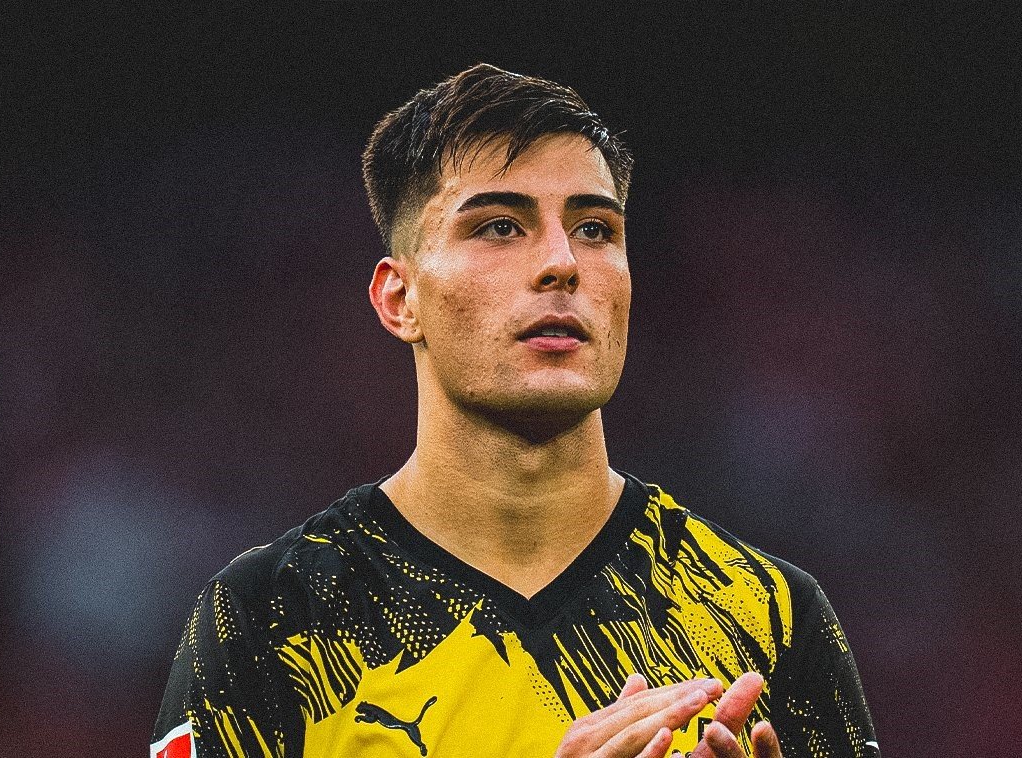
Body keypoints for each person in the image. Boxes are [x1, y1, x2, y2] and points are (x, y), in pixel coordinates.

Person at [151, 63, 878, 758]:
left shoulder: (768, 613)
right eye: (500, 226)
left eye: (595, 229)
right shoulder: (270, 618)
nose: (562, 262)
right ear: (400, 299)